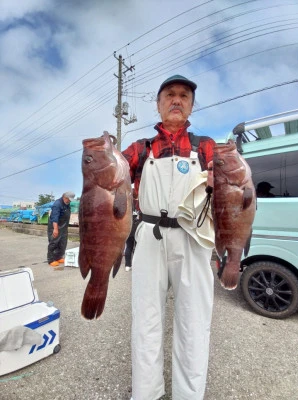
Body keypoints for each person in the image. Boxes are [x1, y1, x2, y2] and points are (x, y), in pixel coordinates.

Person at [122, 75, 216, 400]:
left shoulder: (206, 146)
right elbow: (111, 175)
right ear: (159, 104)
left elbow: (231, 182)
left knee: (194, 320)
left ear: (191, 105)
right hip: (149, 235)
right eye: (170, 95)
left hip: (194, 236)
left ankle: (188, 395)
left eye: (184, 96)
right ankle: (145, 393)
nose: (177, 100)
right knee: (145, 318)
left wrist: (225, 177)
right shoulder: (141, 149)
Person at [47, 191, 75, 267]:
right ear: (64, 197)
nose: (69, 201)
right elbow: (54, 218)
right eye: (68, 199)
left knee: (63, 243)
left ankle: (58, 257)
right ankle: (51, 260)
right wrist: (55, 229)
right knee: (54, 242)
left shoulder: (67, 204)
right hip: (55, 226)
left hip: (63, 227)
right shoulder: (57, 204)